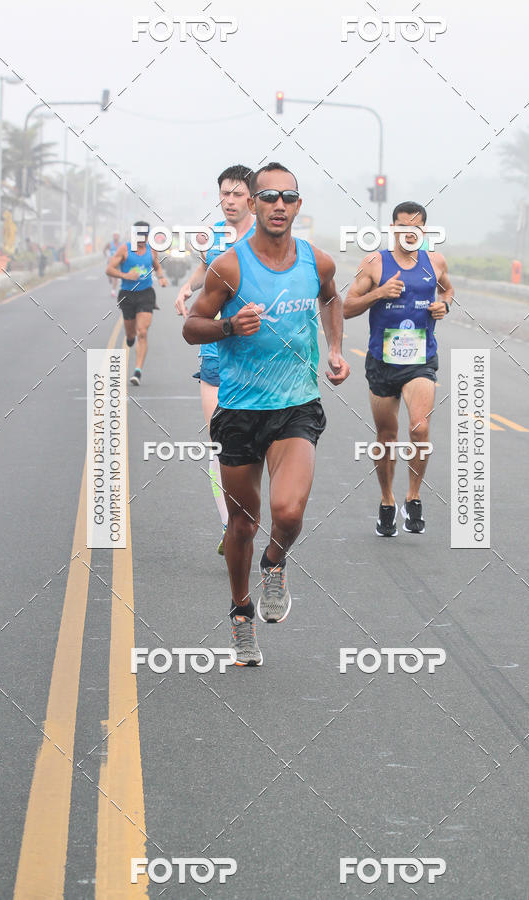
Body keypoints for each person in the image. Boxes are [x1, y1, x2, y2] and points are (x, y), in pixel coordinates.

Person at [183, 162, 350, 666]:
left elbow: (332, 300)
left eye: (289, 197)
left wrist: (336, 349)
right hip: (239, 410)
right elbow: (193, 325)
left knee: (289, 513)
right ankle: (240, 612)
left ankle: (275, 563)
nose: (279, 205)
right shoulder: (230, 266)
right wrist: (230, 327)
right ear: (253, 204)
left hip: (296, 406)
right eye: (269, 196)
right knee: (242, 525)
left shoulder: (316, 262)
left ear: (298, 206)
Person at [344, 201, 454, 536]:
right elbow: (347, 307)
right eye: (403, 225)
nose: (409, 231)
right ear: (392, 228)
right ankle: (388, 500)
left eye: (416, 226)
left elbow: (448, 287)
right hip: (382, 361)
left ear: (424, 230)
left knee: (419, 429)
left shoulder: (434, 261)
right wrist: (379, 293)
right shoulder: (375, 262)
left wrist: (444, 304)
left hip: (421, 360)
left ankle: (414, 497)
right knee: (387, 437)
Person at [175, 165, 256, 555]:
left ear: (253, 198)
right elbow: (207, 265)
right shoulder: (215, 236)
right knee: (219, 444)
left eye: (237, 194)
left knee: (256, 448)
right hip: (215, 352)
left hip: (258, 357)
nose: (229, 200)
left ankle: (249, 514)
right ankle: (231, 524)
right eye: (224, 193)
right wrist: (188, 288)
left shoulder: (267, 237)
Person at [105, 221, 168, 385]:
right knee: (131, 334)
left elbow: (157, 266)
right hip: (127, 295)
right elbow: (109, 269)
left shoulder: (151, 250)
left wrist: (161, 278)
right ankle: (130, 338)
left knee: (142, 332)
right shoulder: (124, 249)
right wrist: (126, 276)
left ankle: (137, 371)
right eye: (137, 236)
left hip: (146, 294)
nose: (140, 240)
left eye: (144, 236)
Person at [104, 231, 122, 296]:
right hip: (110, 261)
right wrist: (107, 256)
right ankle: (109, 278)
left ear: (119, 237)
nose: (115, 237)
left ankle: (113, 291)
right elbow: (104, 250)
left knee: (116, 277)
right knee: (109, 273)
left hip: (117, 262)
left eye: (117, 236)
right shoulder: (109, 244)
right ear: (113, 236)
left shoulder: (121, 245)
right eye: (114, 235)